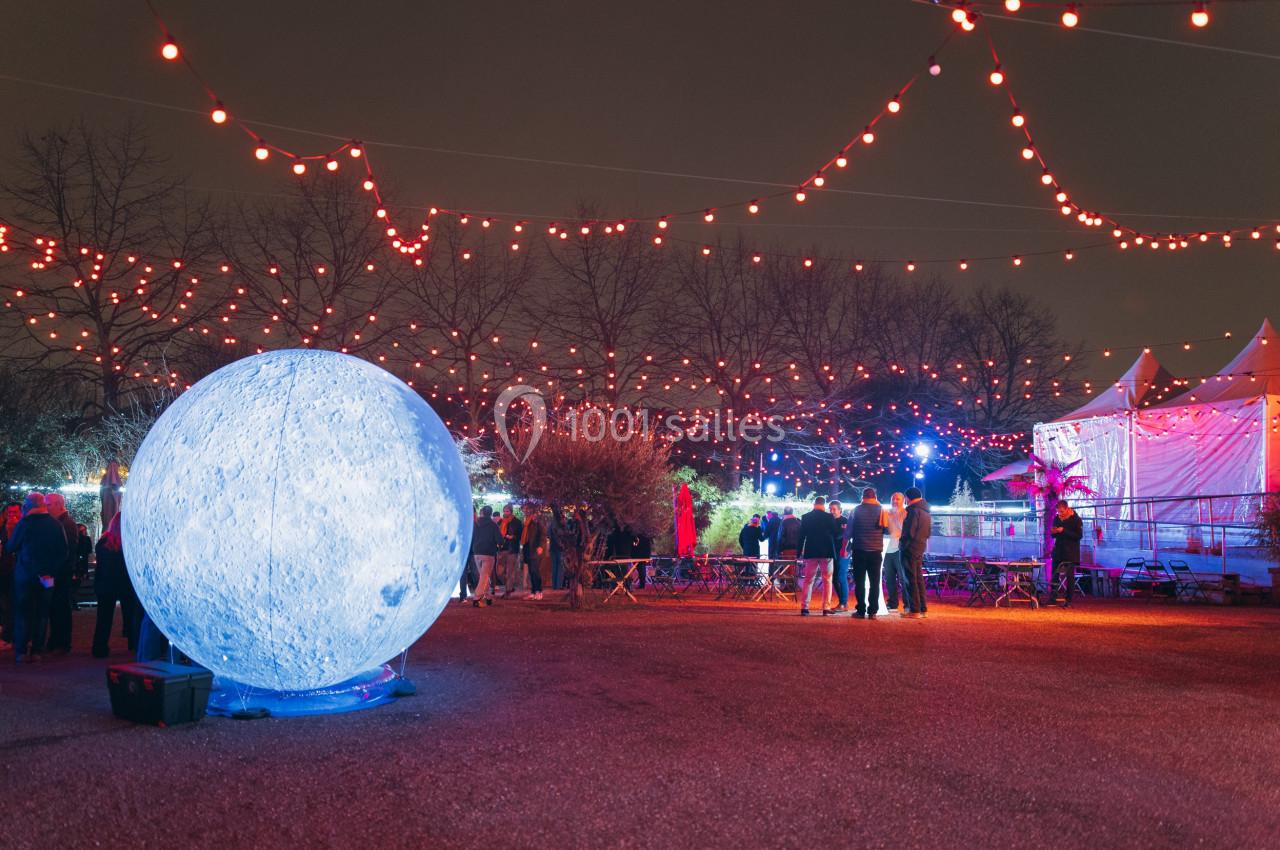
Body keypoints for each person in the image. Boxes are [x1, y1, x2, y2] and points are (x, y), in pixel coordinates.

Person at [6, 492, 68, 662]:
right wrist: (51, 570)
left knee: (23, 613)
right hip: (47, 577)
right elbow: (63, 552)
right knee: (42, 613)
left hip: (25, 576)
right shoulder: (56, 525)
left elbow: (11, 547)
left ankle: (21, 650)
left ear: (28, 506)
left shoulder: (24, 524)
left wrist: (10, 532)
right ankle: (37, 650)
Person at [91, 513, 140, 657]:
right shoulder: (130, 541)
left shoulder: (103, 542)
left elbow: (100, 566)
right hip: (126, 584)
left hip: (106, 584)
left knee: (103, 618)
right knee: (131, 616)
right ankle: (134, 645)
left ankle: (99, 648)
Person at [44, 492, 79, 654]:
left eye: (48, 504)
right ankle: (56, 640)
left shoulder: (66, 524)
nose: (46, 507)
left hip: (61, 573)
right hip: (58, 572)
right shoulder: (61, 522)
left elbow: (67, 551)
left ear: (58, 504)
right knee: (55, 606)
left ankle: (62, 642)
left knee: (60, 606)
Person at [847, 488, 887, 619]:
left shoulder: (856, 510)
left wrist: (844, 548)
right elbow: (886, 530)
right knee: (875, 582)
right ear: (875, 496)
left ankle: (860, 610)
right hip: (876, 551)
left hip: (859, 550)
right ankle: (873, 611)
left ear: (863, 497)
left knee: (860, 582)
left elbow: (848, 532)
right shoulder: (882, 510)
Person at [796, 497, 838, 617]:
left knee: (808, 580)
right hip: (827, 552)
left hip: (811, 551)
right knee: (827, 580)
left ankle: (805, 607)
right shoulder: (829, 517)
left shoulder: (806, 517)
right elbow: (836, 533)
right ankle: (826, 607)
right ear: (824, 505)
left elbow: (801, 537)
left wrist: (798, 553)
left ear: (814, 504)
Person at [899, 487, 932, 619]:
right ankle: (923, 608)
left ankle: (915, 610)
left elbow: (909, 532)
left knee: (910, 579)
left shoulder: (913, 511)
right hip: (920, 547)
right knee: (918, 579)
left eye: (906, 498)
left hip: (910, 548)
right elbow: (928, 532)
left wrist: (902, 543)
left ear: (909, 497)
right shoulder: (926, 511)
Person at [1047, 500, 1083, 607]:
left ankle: (1069, 599)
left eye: (1062, 512)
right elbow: (1053, 535)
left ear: (1067, 509)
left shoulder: (1076, 519)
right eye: (1058, 512)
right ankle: (1053, 597)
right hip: (1058, 551)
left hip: (1070, 552)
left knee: (1069, 576)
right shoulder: (1057, 518)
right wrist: (1054, 532)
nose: (1060, 514)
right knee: (1054, 574)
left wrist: (1064, 531)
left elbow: (1078, 536)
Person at [882, 492, 911, 614]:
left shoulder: (906, 513)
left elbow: (905, 531)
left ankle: (908, 604)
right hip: (887, 550)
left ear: (903, 500)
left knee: (904, 578)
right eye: (893, 498)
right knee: (889, 579)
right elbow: (882, 528)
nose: (895, 501)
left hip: (900, 549)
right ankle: (893, 603)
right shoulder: (885, 512)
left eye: (898, 499)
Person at [1, 502, 23, 649]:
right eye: (9, 512)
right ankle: (8, 635)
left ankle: (18, 637)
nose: (12, 515)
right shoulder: (3, 529)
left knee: (19, 606)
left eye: (15, 512)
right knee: (6, 605)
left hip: (20, 572)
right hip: (5, 572)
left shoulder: (24, 528)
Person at [470, 505, 501, 607]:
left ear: (481, 513)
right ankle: (477, 598)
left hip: (477, 552)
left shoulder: (475, 524)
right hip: (488, 553)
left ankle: (488, 597)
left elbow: (472, 537)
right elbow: (500, 540)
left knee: (483, 575)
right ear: (490, 514)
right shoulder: (493, 525)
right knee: (485, 575)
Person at [520, 502, 550, 600]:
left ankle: (539, 591)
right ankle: (533, 591)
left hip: (535, 549)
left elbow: (543, 534)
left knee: (535, 571)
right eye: (524, 509)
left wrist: (541, 546)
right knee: (531, 572)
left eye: (526, 509)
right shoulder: (526, 521)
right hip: (528, 548)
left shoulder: (537, 520)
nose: (525, 511)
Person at [497, 504, 524, 598]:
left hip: (512, 549)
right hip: (502, 549)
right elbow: (497, 534)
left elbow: (520, 535)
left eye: (507, 511)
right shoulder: (501, 522)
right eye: (504, 511)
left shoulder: (516, 522)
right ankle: (510, 587)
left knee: (510, 571)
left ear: (511, 512)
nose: (505, 513)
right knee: (499, 571)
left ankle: (508, 591)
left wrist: (513, 537)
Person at [829, 501, 850, 613]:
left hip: (843, 552)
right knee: (834, 578)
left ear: (839, 510)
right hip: (832, 552)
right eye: (830, 509)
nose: (832, 511)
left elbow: (841, 536)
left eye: (834, 509)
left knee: (841, 576)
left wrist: (846, 550)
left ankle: (843, 603)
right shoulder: (828, 521)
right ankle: (842, 602)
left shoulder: (845, 521)